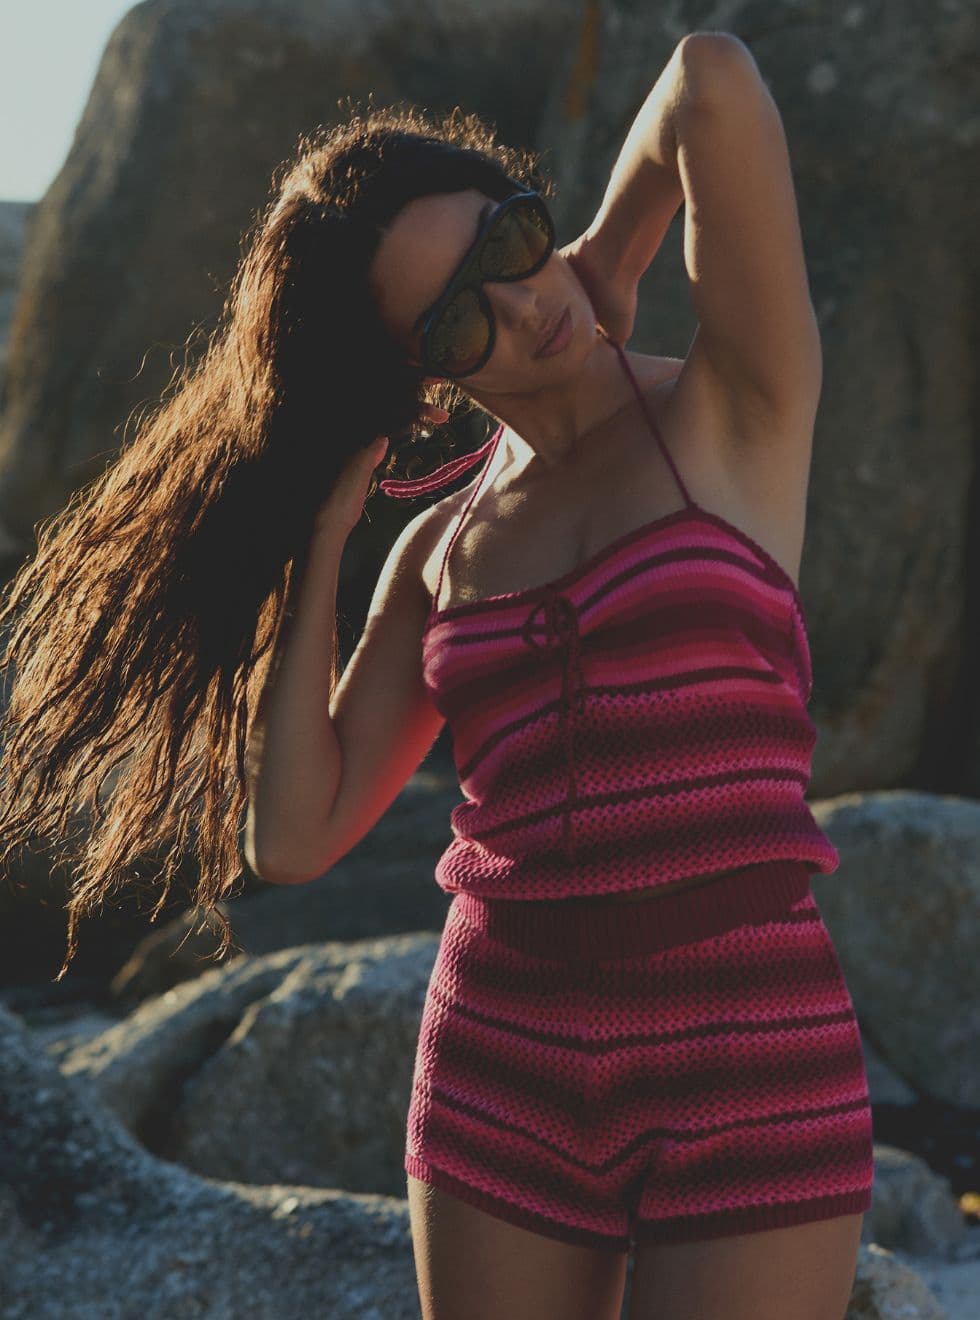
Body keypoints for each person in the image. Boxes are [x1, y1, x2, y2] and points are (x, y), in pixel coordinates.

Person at [0, 31, 872, 1320]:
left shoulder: (734, 411)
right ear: (425, 371)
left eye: (512, 244)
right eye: (463, 315)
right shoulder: (440, 550)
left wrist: (613, 253)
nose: (528, 310)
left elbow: (711, 78)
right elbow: (293, 835)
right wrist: (319, 539)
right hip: (500, 1058)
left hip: (747, 1036)